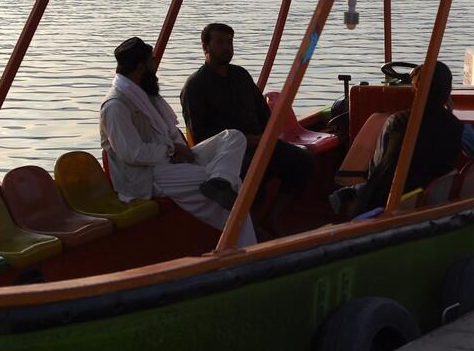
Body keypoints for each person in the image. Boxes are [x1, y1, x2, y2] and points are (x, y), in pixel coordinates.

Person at [100, 37, 256, 247]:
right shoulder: (115, 105)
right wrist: (172, 151)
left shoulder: (146, 96)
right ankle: (247, 250)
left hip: (172, 160)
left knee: (233, 137)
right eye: (151, 62)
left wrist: (176, 151)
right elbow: (133, 153)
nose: (155, 67)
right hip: (148, 175)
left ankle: (219, 181)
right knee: (237, 191)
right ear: (139, 67)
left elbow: (169, 134)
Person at [180, 23, 314, 237]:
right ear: (205, 47)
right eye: (220, 42)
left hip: (259, 144)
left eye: (230, 42)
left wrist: (265, 137)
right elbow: (201, 135)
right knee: (249, 173)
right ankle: (248, 227)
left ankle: (275, 217)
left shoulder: (241, 76)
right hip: (226, 155)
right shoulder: (195, 86)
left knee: (302, 160)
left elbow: (263, 114)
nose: (227, 47)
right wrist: (246, 140)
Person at [330, 61, 466, 216]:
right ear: (447, 92)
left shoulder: (395, 122)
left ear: (416, 90)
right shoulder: (457, 127)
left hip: (389, 197)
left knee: (340, 196)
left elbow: (377, 168)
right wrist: (450, 114)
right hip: (427, 195)